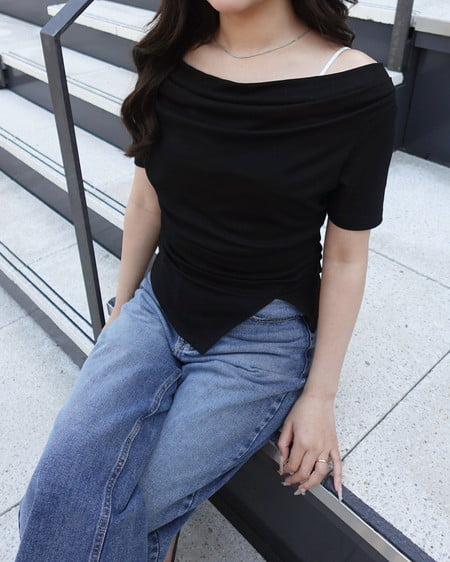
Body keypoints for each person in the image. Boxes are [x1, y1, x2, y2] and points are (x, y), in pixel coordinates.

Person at [15, 0, 397, 560]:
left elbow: (344, 256)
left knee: (123, 509)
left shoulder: (355, 90)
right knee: (55, 492)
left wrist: (320, 395)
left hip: (262, 337)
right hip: (157, 307)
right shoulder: (171, 58)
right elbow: (146, 200)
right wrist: (122, 307)